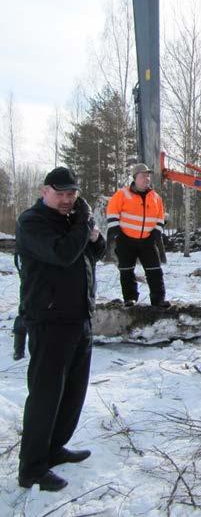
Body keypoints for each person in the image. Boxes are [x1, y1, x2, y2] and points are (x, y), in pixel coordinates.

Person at [15, 167, 105, 491]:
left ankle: (54, 448)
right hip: (48, 321)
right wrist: (83, 225)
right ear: (44, 192)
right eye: (61, 193)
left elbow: (95, 253)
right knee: (45, 396)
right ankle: (32, 468)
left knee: (72, 393)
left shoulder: (72, 222)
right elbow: (63, 254)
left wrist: (94, 235)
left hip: (79, 317)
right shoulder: (32, 223)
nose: (67, 200)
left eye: (72, 194)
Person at [106, 163, 169, 308]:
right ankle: (130, 299)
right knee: (126, 270)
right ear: (135, 178)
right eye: (143, 176)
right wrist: (117, 234)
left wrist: (156, 231)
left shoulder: (155, 197)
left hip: (147, 240)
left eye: (148, 176)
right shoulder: (122, 194)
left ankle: (158, 300)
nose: (146, 179)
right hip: (126, 240)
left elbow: (160, 217)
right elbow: (112, 213)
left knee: (155, 270)